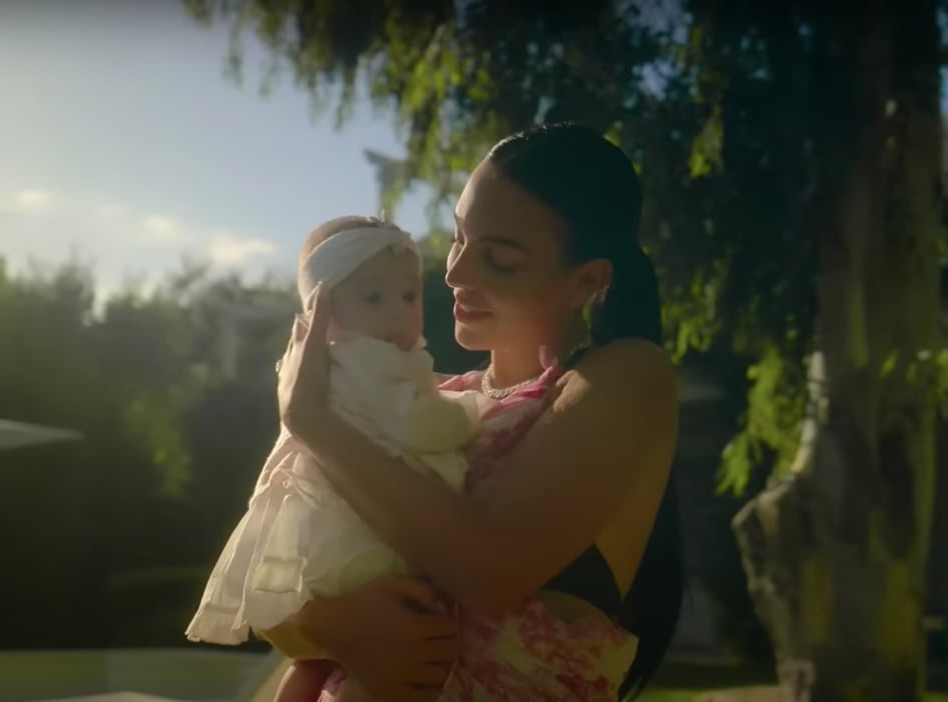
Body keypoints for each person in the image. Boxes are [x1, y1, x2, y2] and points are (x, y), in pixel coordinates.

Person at [268, 123, 684, 701]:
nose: (455, 273)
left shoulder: (623, 377)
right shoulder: (420, 398)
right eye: (459, 238)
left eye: (500, 259)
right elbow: (268, 563)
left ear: (586, 280)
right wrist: (324, 623)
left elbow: (488, 571)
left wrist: (312, 420)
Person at [185, 216, 485, 702]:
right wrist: (467, 414)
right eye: (373, 298)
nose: (396, 313)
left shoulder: (326, 363)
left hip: (325, 542)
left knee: (319, 661)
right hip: (362, 540)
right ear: (326, 311)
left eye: (407, 297)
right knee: (384, 664)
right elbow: (416, 425)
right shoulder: (367, 359)